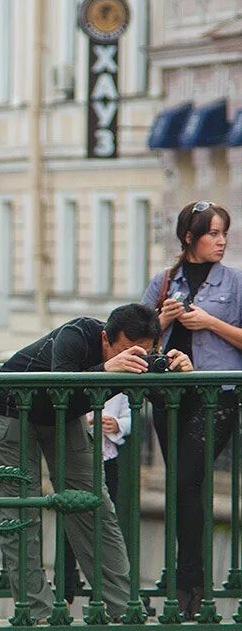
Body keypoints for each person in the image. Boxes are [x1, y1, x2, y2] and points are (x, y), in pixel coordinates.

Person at [0, 303, 193, 622]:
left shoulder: (141, 354)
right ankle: (38, 612)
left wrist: (179, 374)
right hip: (13, 409)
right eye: (126, 351)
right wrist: (108, 369)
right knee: (20, 512)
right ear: (105, 338)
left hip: (65, 416)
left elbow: (164, 397)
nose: (134, 360)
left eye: (144, 353)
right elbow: (61, 384)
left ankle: (122, 607)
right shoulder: (77, 334)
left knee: (96, 508)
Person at [142, 200, 242, 617]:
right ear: (189, 237)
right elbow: (131, 340)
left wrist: (210, 323)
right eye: (212, 234)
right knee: (186, 488)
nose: (220, 241)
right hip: (169, 395)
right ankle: (189, 583)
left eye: (223, 233)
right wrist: (162, 322)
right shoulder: (165, 281)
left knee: (185, 481)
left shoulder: (234, 283)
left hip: (215, 394)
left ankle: (190, 584)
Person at [62, 392, 130, 604]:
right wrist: (86, 421)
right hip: (78, 458)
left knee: (106, 522)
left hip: (107, 459)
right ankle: (64, 585)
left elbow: (130, 418)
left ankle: (105, 590)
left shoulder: (122, 390)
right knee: (71, 523)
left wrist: (117, 425)